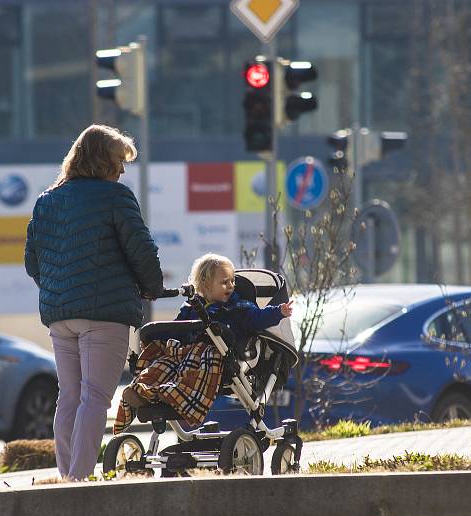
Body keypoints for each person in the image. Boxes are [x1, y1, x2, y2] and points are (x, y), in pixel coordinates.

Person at [24, 124, 163, 480]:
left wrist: (61, 290)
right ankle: (79, 480)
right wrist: (151, 287)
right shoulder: (115, 196)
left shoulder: (47, 200)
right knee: (96, 397)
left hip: (60, 316)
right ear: (102, 160)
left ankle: (67, 474)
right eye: (119, 161)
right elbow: (141, 251)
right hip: (105, 315)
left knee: (69, 396)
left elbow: (32, 262)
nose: (122, 170)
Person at [114, 253, 292, 434]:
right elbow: (177, 330)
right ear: (206, 285)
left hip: (218, 359)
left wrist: (278, 312)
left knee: (199, 360)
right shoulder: (190, 308)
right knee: (163, 362)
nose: (231, 286)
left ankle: (171, 393)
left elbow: (258, 318)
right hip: (185, 357)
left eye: (232, 281)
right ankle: (143, 390)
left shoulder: (239, 308)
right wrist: (155, 336)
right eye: (225, 282)